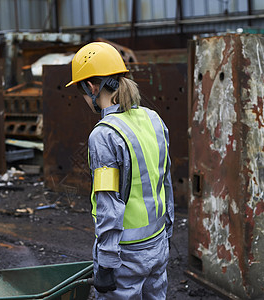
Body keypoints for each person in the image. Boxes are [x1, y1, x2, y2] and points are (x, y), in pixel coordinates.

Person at [65, 42, 174, 299]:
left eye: (81, 90)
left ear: (91, 87)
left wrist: (106, 261)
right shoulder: (153, 119)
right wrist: (166, 232)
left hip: (126, 254)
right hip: (158, 244)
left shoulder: (104, 135)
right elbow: (164, 180)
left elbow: (108, 202)